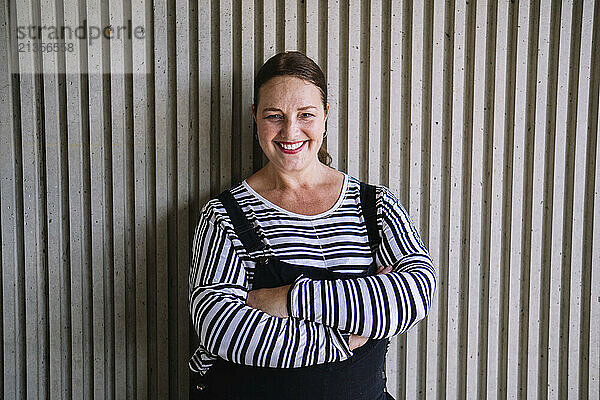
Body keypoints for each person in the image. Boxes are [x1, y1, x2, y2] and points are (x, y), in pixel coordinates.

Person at [189, 51, 437, 400]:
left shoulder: (375, 206)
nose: (290, 131)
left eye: (305, 114)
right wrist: (343, 338)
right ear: (255, 117)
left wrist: (286, 299)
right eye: (274, 116)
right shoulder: (224, 215)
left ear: (325, 116)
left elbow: (413, 293)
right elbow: (219, 327)